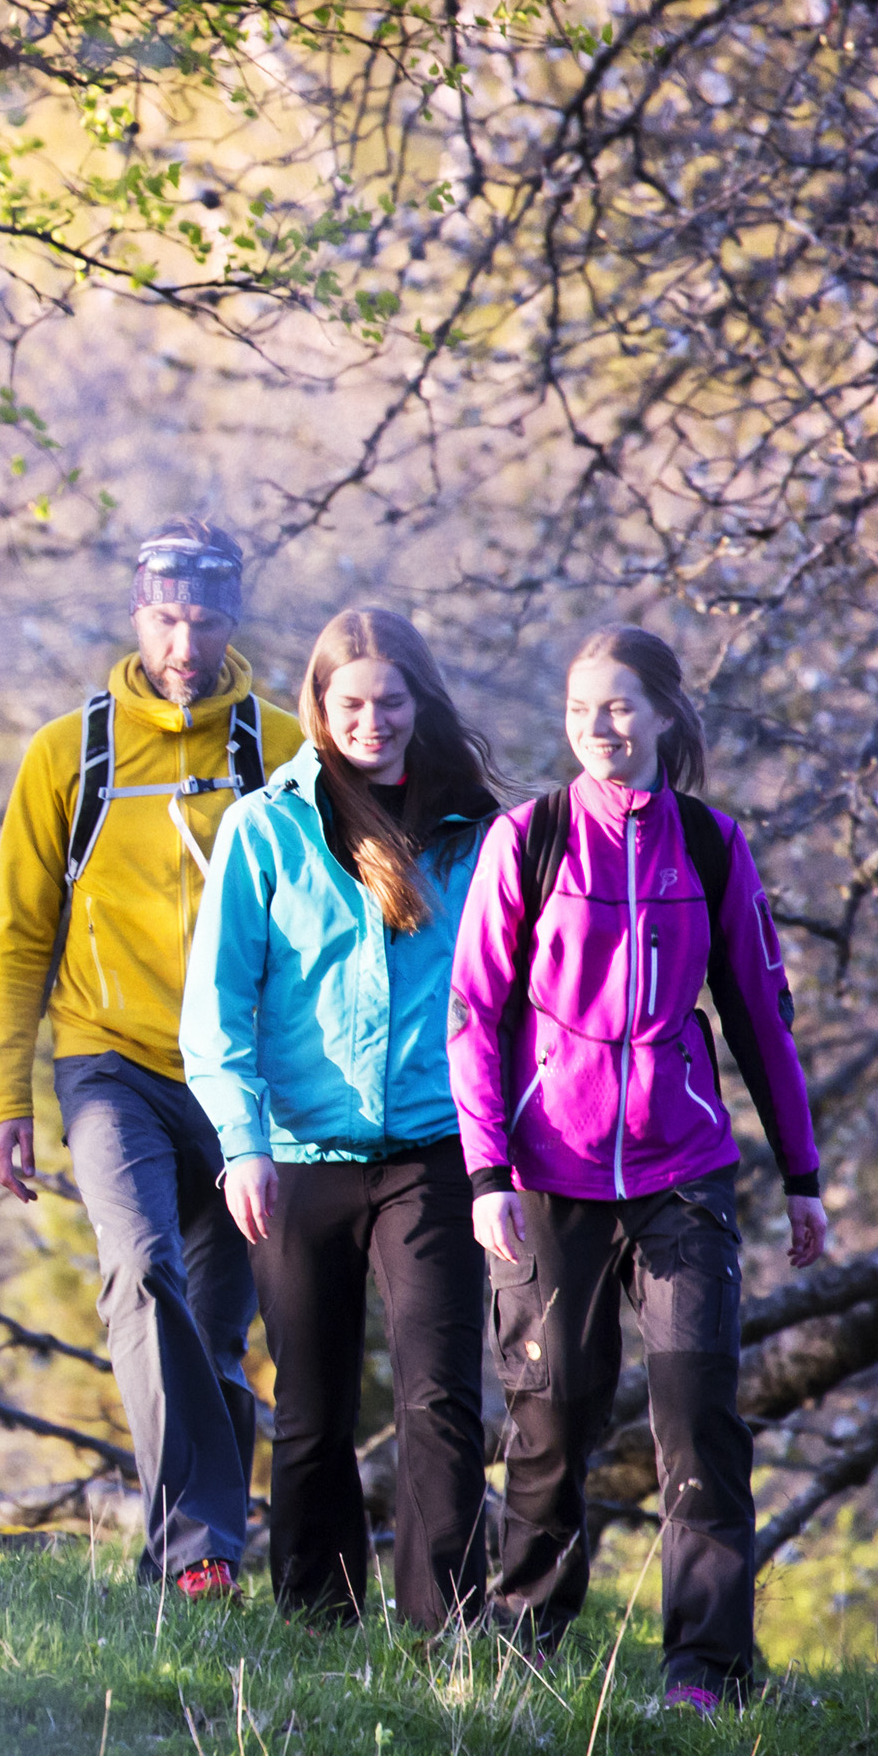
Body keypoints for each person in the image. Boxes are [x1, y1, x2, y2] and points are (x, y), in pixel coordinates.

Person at [448, 624, 829, 1713]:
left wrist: (800, 1174)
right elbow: (473, 1014)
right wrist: (486, 1173)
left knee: (699, 1417)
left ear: (664, 712)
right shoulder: (528, 837)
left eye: (618, 706)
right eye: (580, 710)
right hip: (547, 1171)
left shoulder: (710, 846)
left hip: (683, 1168)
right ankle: (524, 1640)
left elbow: (760, 1017)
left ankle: (704, 1671)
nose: (598, 727)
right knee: (550, 1416)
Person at [0, 518, 300, 1597]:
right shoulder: (67, 755)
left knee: (215, 1329)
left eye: (205, 619)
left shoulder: (284, 752)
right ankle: (201, 1551)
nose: (184, 643)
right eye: (165, 618)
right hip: (109, 1064)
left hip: (243, 1078)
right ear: (135, 613)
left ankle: (191, 1561)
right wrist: (6, 1100)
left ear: (233, 617)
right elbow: (18, 937)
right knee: (141, 1268)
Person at [180, 608, 504, 1631]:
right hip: (297, 1155)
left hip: (434, 1151)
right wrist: (242, 1146)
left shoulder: (476, 832)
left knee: (438, 1398)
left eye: (390, 700)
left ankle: (444, 1626)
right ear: (318, 706)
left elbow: (509, 994)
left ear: (421, 702)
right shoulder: (263, 828)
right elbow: (216, 1010)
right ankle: (316, 1621)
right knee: (311, 1406)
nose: (372, 720)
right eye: (350, 701)